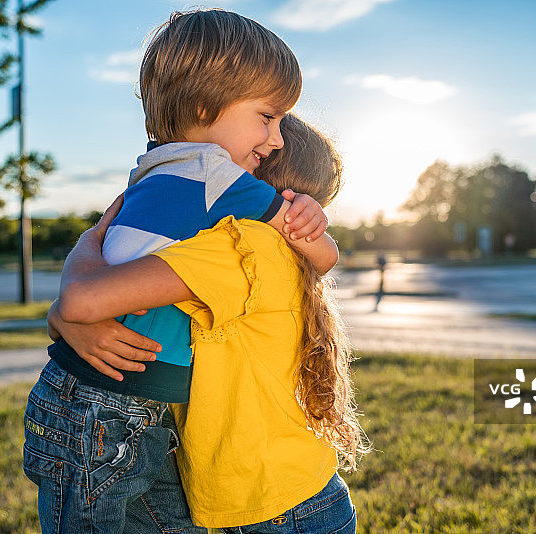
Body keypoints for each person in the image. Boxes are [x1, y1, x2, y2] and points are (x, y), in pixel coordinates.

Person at [22, 9, 337, 533]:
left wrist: (71, 292)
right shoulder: (216, 173)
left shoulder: (153, 170)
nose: (275, 139)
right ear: (201, 105)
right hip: (108, 405)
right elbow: (325, 257)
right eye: (267, 117)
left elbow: (93, 284)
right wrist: (312, 224)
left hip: (116, 398)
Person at [53, 113, 367, 532]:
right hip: (295, 494)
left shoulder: (239, 248)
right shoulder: (275, 249)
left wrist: (78, 269)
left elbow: (86, 299)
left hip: (279, 509)